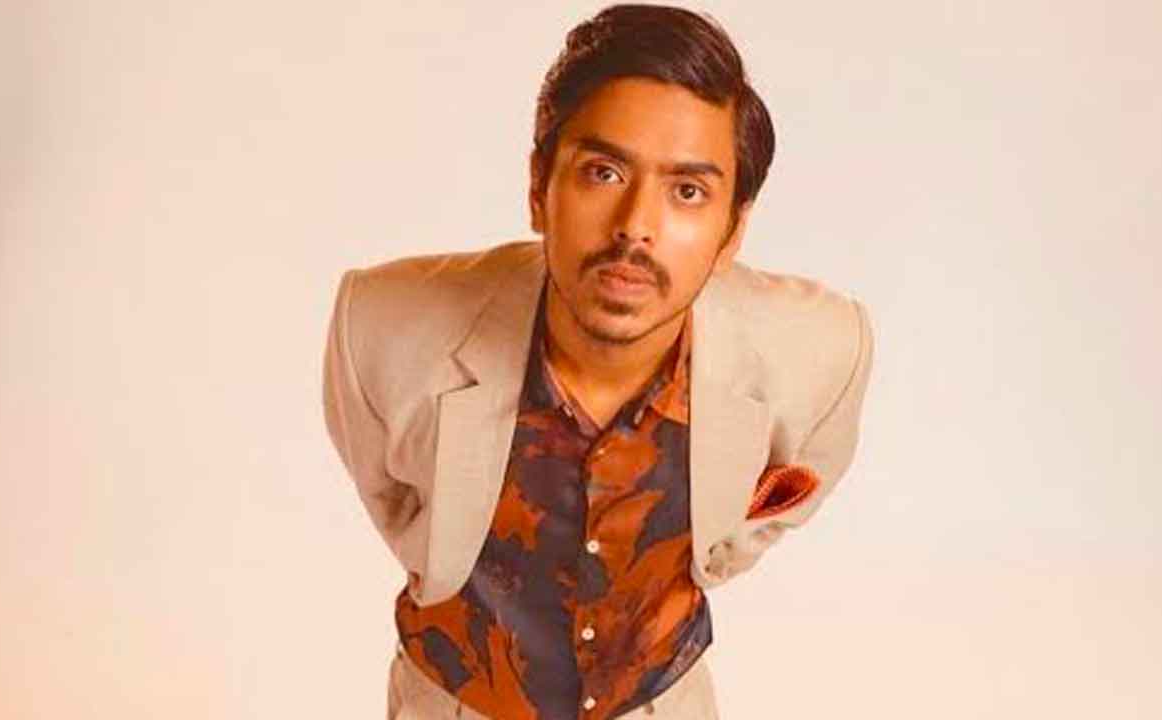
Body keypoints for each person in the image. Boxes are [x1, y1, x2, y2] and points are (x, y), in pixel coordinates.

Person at [322, 5, 874, 718]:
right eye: (603, 172)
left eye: (687, 192)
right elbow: (394, 496)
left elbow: (783, 496)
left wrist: (710, 555)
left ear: (733, 229)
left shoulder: (822, 350)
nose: (635, 227)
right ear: (539, 187)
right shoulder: (385, 327)